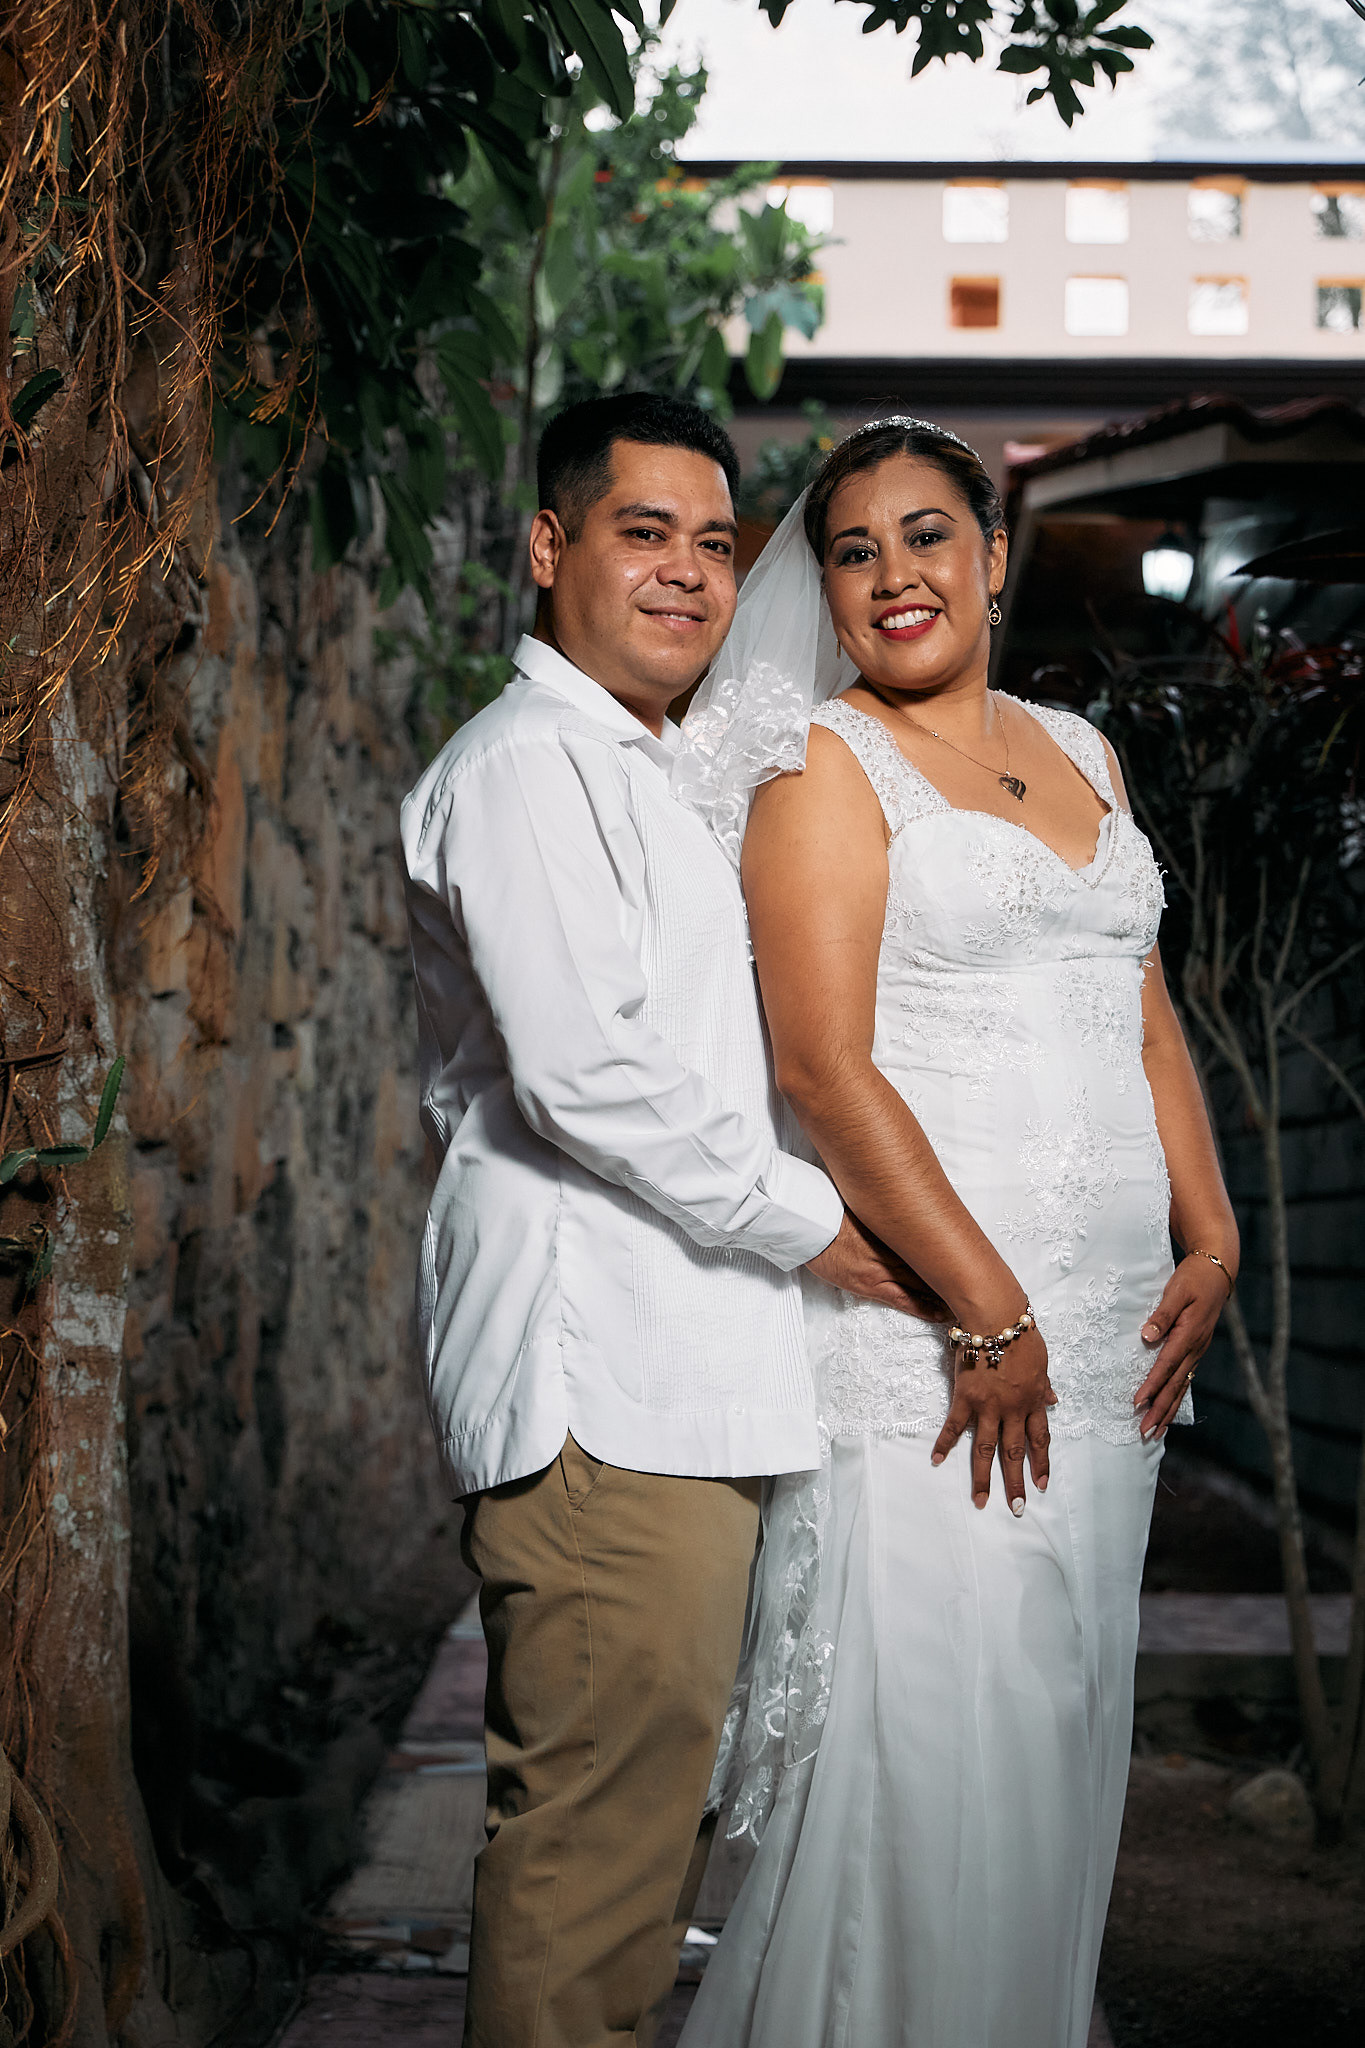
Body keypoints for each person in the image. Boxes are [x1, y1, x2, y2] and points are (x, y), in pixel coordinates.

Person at [400, 395, 973, 2048]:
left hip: (679, 1379)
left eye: (713, 543)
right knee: (593, 1871)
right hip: (607, 1391)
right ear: (548, 546)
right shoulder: (528, 769)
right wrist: (822, 1227)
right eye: (641, 533)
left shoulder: (646, 768)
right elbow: (589, 1078)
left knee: (640, 1870)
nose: (688, 573)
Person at [672, 418, 1239, 2048]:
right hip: (946, 1335)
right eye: (853, 552)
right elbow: (821, 1070)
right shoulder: (819, 768)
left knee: (1055, 1720)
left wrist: (1210, 1238)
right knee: (937, 1741)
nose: (892, 576)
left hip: (1112, 1335)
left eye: (924, 536)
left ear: (990, 556)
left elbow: (1141, 1006)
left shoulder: (1083, 750)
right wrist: (986, 1310)